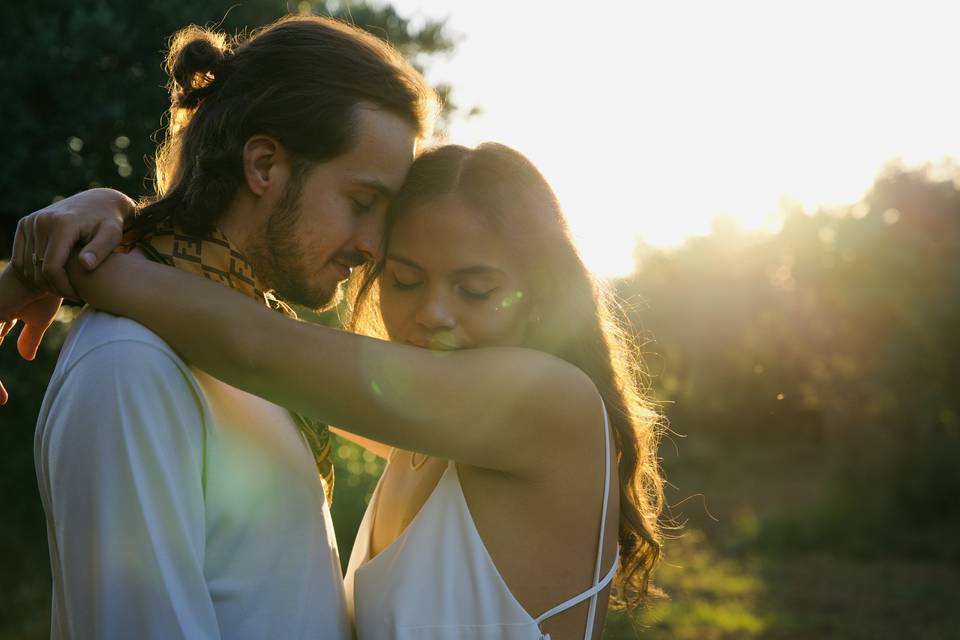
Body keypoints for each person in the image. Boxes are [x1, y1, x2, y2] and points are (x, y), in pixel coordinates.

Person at [2, 143, 665, 638]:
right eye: (405, 280)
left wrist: (67, 264)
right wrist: (117, 212)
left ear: (540, 295)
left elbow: (254, 347)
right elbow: (244, 326)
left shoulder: (548, 403)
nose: (433, 312)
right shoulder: (432, 431)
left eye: (477, 289)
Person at [0, 15, 436, 639]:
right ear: (263, 166)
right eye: (361, 203)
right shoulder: (132, 366)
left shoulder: (258, 350)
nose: (373, 245)